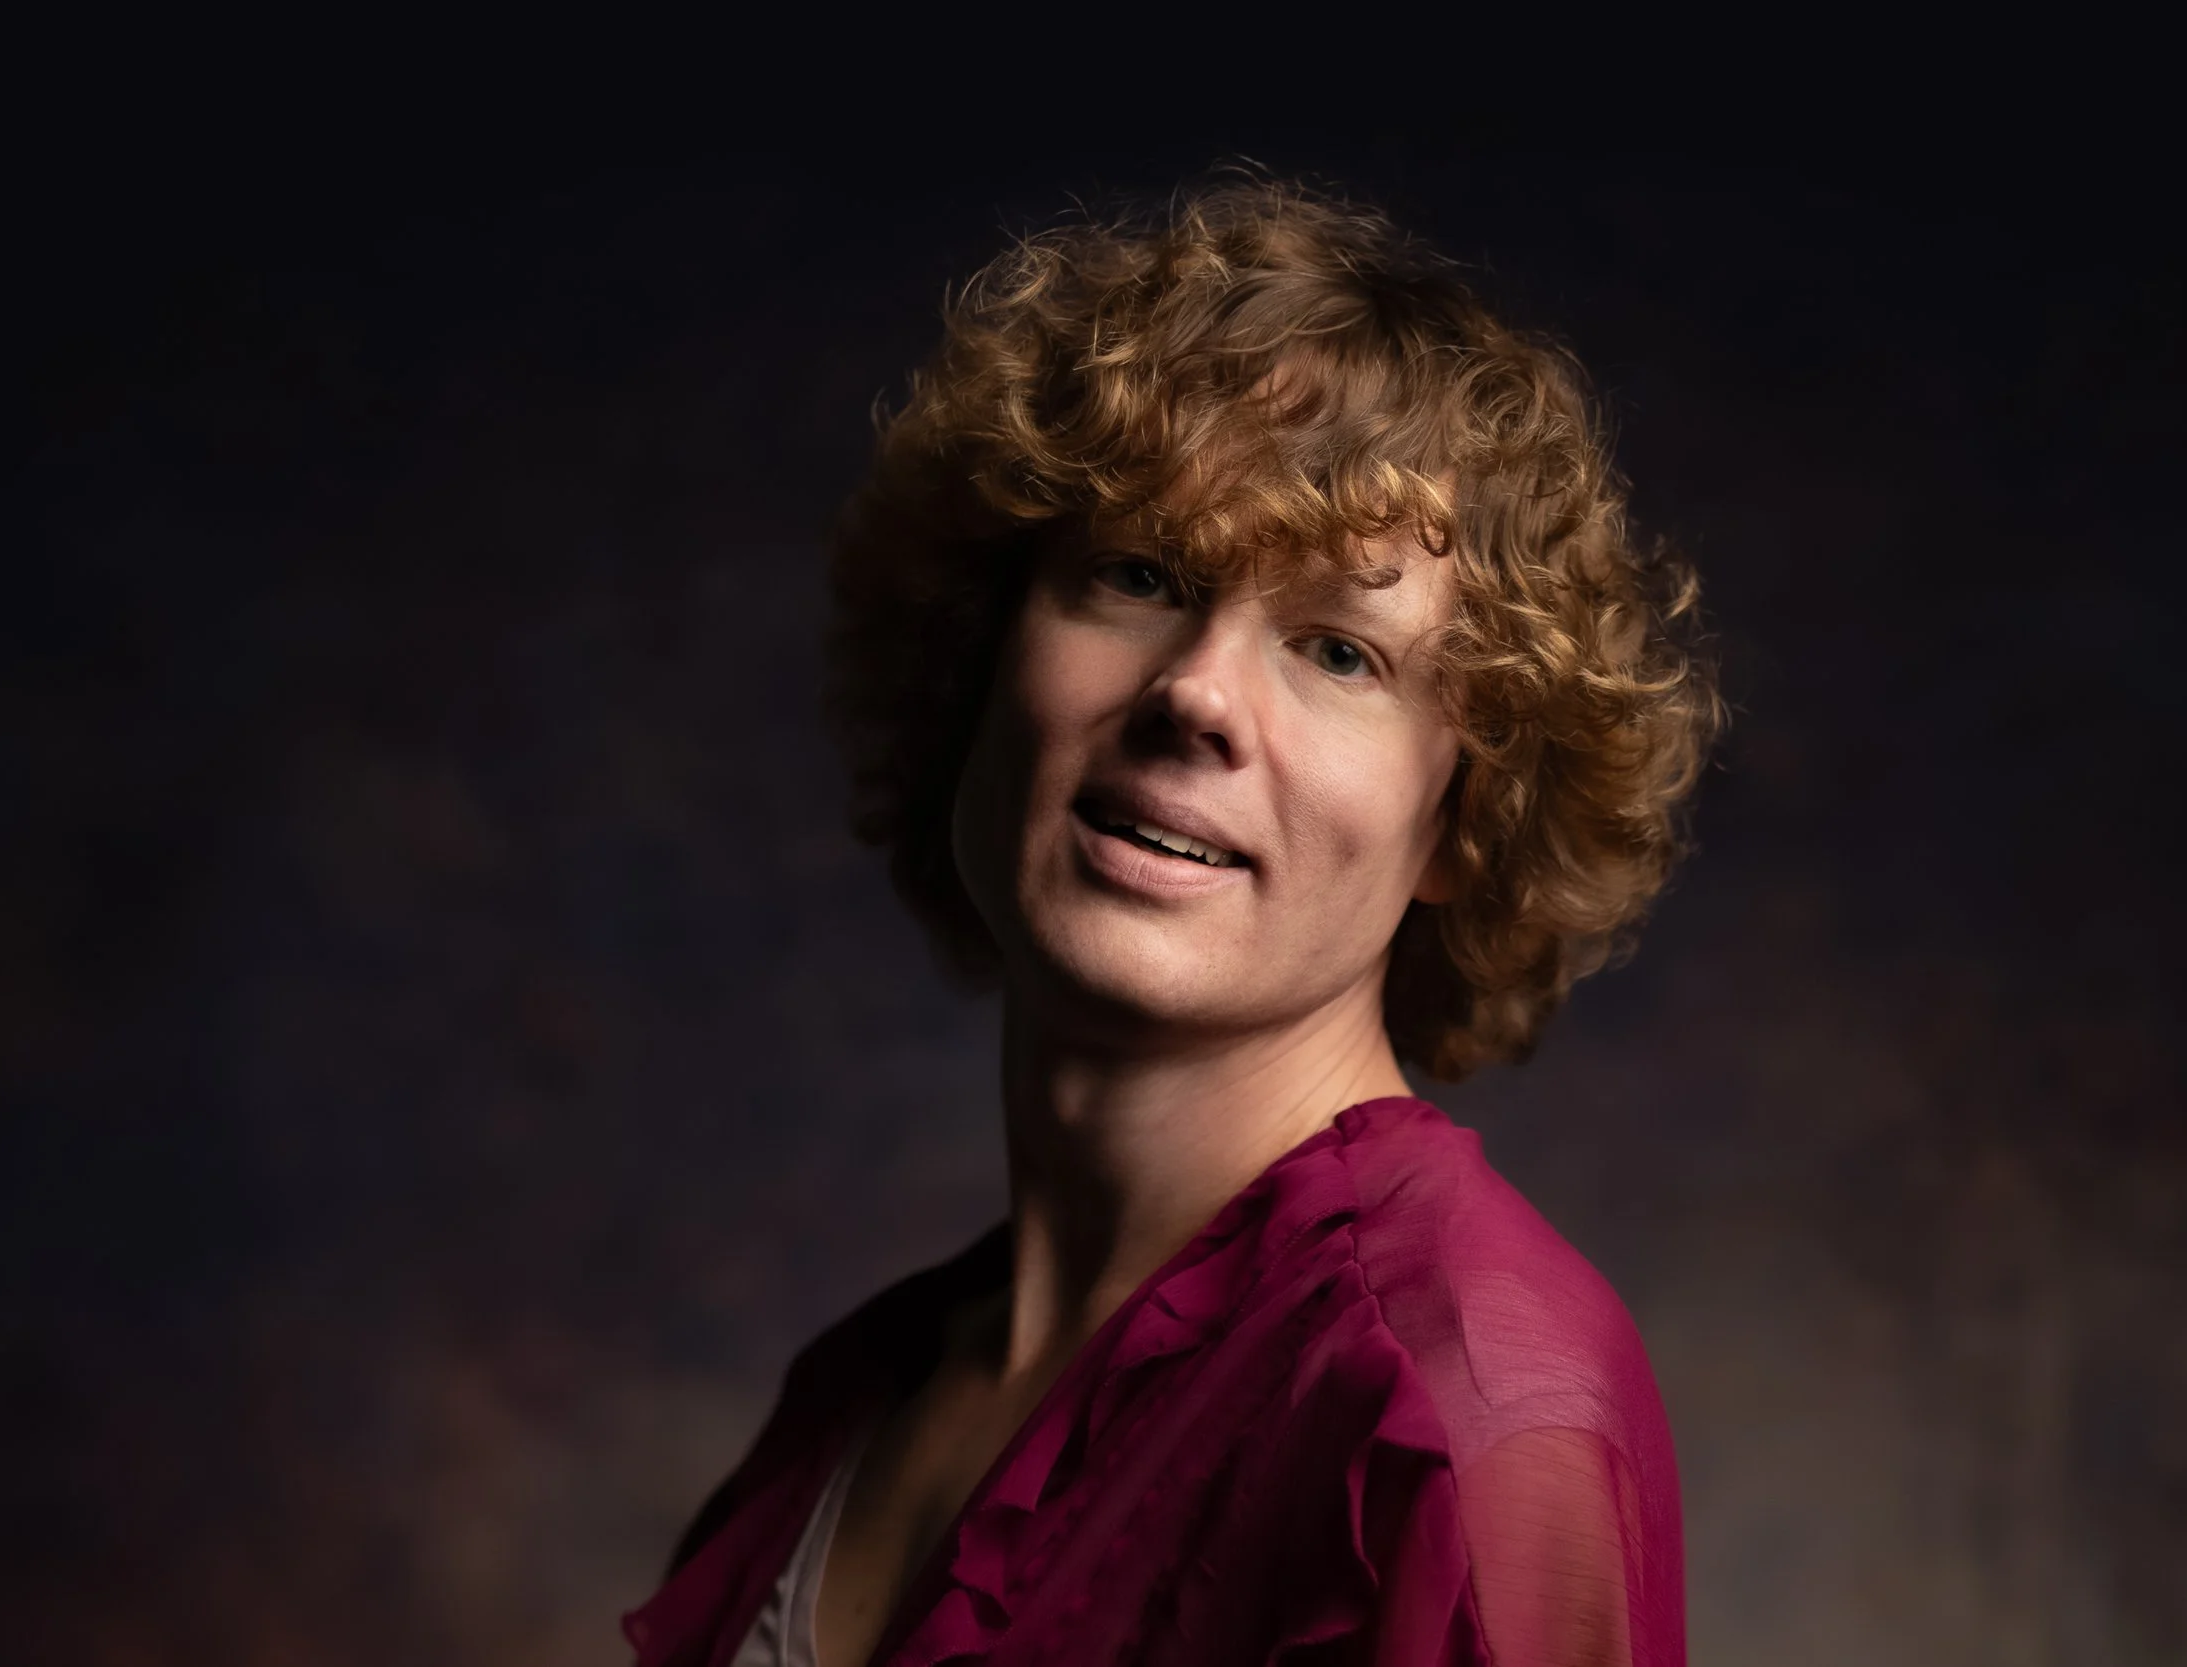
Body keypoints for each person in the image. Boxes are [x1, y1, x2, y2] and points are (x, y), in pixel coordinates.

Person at [623, 176, 1721, 1667]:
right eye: (1141, 574)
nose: (1196, 692)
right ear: (982, 660)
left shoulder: (1459, 1402)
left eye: (1339, 650)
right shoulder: (861, 1392)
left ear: (1466, 822)